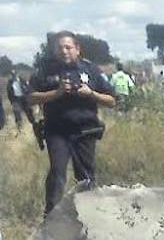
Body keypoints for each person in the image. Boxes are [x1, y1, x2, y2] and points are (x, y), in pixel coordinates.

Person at [28, 31, 116, 214]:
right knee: (58, 172)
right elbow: (30, 98)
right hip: (57, 131)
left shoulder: (91, 70)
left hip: (86, 130)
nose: (64, 51)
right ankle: (51, 217)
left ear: (77, 49)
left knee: (85, 176)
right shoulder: (45, 70)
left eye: (68, 47)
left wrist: (91, 94)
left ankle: (89, 215)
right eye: (60, 48)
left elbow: (112, 100)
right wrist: (56, 93)